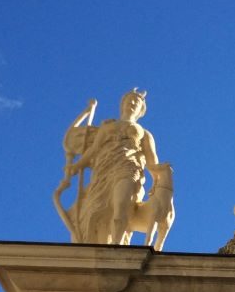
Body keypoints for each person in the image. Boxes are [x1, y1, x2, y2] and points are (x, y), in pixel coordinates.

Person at [60, 89, 171, 245]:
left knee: (121, 204)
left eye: (136, 102)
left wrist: (162, 176)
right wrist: (77, 165)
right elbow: (93, 150)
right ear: (122, 104)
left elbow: (152, 163)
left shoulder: (145, 134)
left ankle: (117, 247)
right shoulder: (107, 127)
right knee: (95, 210)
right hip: (103, 172)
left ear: (140, 110)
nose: (132, 103)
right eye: (129, 100)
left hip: (129, 168)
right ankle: (105, 244)